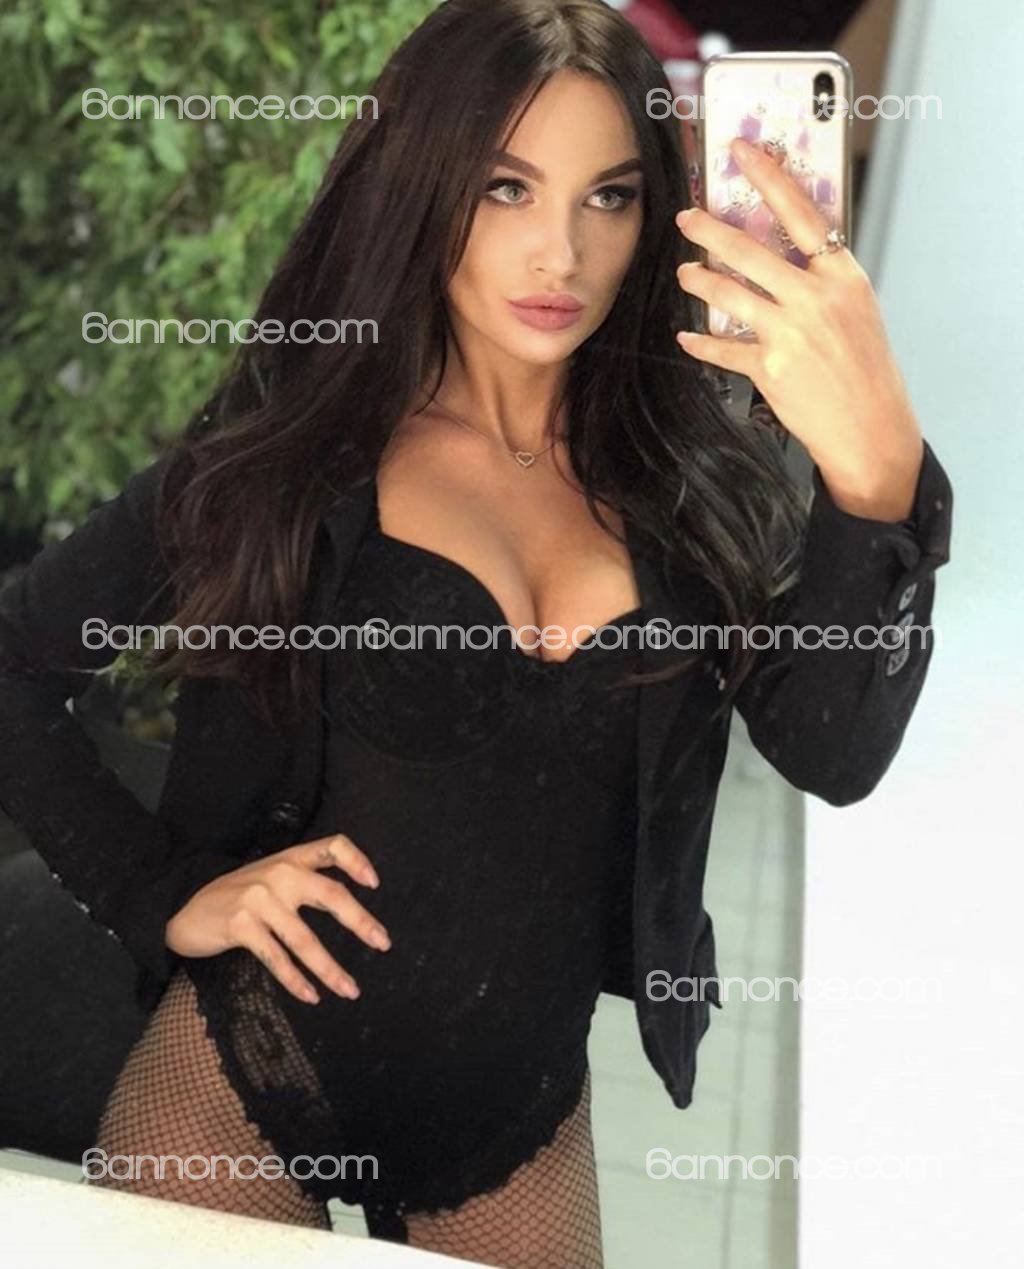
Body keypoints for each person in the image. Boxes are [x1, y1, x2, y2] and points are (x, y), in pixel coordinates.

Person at [0, 1, 952, 1264]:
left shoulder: (694, 469)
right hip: (245, 1079)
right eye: (506, 188)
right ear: (423, 181)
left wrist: (876, 476)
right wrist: (156, 892)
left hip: (514, 1116)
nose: (560, 252)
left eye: (608, 197)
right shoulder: (300, 443)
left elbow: (834, 752)